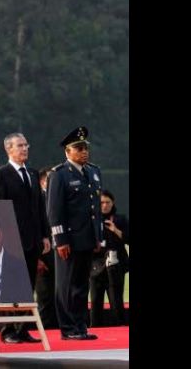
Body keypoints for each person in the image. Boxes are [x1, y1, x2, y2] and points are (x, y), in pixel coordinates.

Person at [0, 132, 50, 344]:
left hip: (32, 240)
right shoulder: (1, 174)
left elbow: (39, 208)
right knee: (10, 286)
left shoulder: (32, 174)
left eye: (26, 145)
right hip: (10, 241)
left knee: (28, 286)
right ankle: (7, 330)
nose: (25, 149)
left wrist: (44, 235)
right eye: (20, 145)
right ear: (9, 149)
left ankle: (23, 328)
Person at [47, 126, 103, 341]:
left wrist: (98, 237)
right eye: (78, 148)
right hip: (69, 239)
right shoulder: (59, 175)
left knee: (81, 285)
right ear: (67, 152)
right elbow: (54, 211)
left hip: (87, 238)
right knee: (66, 285)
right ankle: (68, 328)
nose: (84, 152)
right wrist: (60, 239)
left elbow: (95, 209)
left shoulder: (93, 171)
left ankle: (80, 325)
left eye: (85, 148)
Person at [89, 190, 129, 327]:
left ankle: (121, 328)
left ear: (113, 203)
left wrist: (116, 230)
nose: (105, 205)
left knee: (116, 301)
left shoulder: (121, 219)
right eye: (102, 203)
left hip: (116, 265)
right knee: (95, 302)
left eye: (108, 202)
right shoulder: (91, 220)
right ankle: (94, 328)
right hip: (95, 266)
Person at [35, 167, 58, 329]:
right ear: (42, 182)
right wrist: (37, 258)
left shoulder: (61, 198)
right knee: (45, 298)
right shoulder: (35, 200)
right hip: (43, 256)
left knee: (62, 297)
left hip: (62, 255)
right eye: (51, 180)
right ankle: (46, 331)